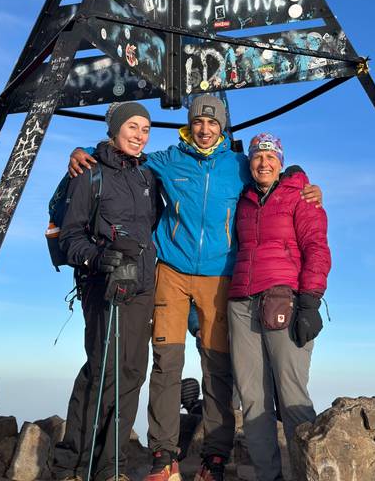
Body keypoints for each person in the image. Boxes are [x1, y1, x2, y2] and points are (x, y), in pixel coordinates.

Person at [68, 96, 322, 481]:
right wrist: (82, 151)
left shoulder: (238, 165)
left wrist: (302, 180)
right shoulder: (170, 159)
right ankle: (163, 454)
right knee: (166, 362)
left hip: (221, 275)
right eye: (198, 122)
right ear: (190, 125)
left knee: (216, 367)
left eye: (213, 122)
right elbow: (124, 155)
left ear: (223, 127)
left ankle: (214, 456)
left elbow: (274, 175)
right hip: (171, 269)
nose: (205, 129)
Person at [53, 102, 157, 481]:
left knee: (131, 373)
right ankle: (73, 464)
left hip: (141, 286)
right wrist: (100, 258)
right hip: (103, 284)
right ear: (114, 128)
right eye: (132, 126)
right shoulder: (89, 174)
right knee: (102, 370)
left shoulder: (146, 176)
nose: (139, 135)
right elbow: (70, 237)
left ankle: (112, 467)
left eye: (145, 129)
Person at [227, 133, 331, 481]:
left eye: (270, 157)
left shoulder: (301, 197)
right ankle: (267, 476)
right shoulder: (241, 199)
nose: (263, 163)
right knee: (253, 396)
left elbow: (317, 247)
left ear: (281, 161)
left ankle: (307, 473)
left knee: (291, 394)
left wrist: (310, 302)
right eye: (257, 156)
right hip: (241, 302)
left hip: (283, 299)